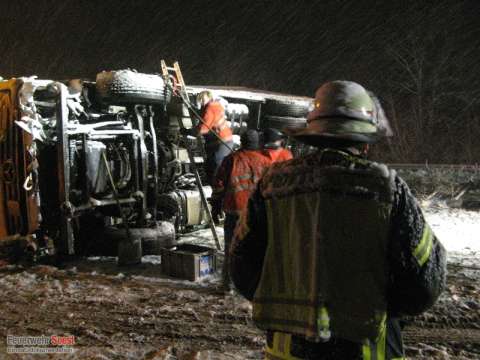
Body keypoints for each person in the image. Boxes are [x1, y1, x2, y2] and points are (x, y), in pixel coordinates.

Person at [230, 81, 446, 359]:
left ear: (313, 135)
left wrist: (289, 308)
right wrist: (380, 308)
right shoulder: (387, 190)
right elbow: (425, 282)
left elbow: (241, 265)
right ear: (365, 143)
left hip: (286, 350)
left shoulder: (271, 186)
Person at [211, 129, 271, 290]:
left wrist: (215, 207)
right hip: (258, 212)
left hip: (235, 210)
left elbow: (218, 185)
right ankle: (255, 285)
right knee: (257, 248)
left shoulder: (231, 159)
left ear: (242, 142)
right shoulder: (266, 162)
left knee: (232, 248)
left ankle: (227, 285)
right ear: (258, 143)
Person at [182, 90, 234, 185]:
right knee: (211, 166)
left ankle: (216, 188)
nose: (201, 101)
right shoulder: (214, 105)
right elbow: (203, 115)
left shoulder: (210, 107)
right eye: (199, 100)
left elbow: (203, 129)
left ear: (209, 97)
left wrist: (187, 131)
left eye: (202, 99)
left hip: (221, 142)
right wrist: (193, 110)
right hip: (224, 141)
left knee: (216, 167)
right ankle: (214, 186)